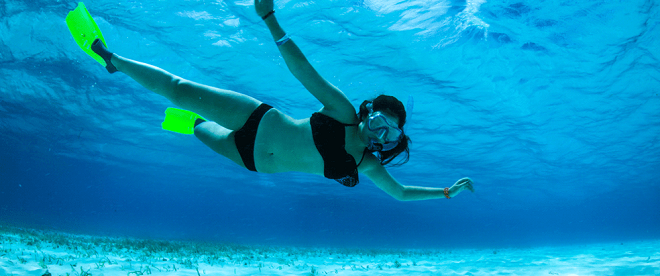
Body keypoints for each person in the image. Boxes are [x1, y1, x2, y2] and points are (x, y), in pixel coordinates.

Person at [67, 0, 474, 201]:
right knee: (178, 87)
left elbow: (400, 194)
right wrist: (269, 18)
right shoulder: (346, 113)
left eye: (390, 130)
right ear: (368, 112)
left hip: (252, 160)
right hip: (259, 118)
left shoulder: (365, 164)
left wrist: (443, 193)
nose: (380, 130)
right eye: (380, 119)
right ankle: (112, 58)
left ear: (392, 139)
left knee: (195, 126)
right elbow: (303, 71)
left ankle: (186, 122)